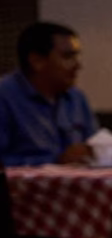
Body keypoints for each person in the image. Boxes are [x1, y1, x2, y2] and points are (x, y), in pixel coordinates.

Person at [0, 22, 97, 166]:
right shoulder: (5, 96)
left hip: (78, 187)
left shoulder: (76, 98)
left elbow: (94, 149)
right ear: (36, 61)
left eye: (76, 57)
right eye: (68, 57)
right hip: (24, 188)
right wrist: (55, 161)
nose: (78, 66)